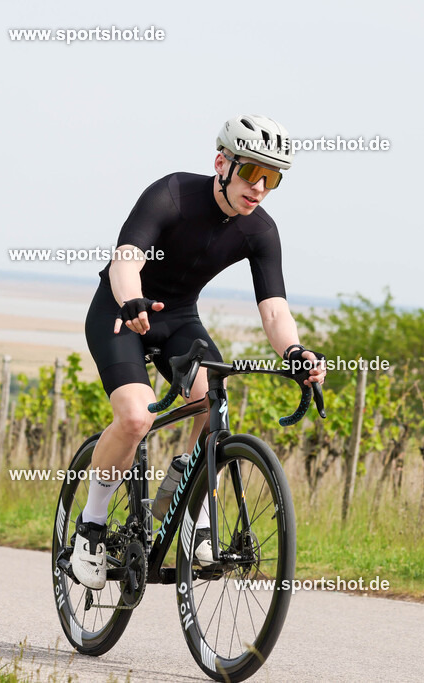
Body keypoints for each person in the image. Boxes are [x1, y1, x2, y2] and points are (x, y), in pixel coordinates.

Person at [71, 115, 326, 589]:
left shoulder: (260, 231)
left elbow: (274, 310)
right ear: (221, 164)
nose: (261, 188)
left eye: (273, 179)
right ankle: (91, 525)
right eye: (252, 173)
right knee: (134, 418)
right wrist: (131, 300)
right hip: (122, 310)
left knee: (212, 401)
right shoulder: (172, 194)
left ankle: (178, 502)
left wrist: (295, 350)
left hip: (178, 318)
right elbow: (126, 258)